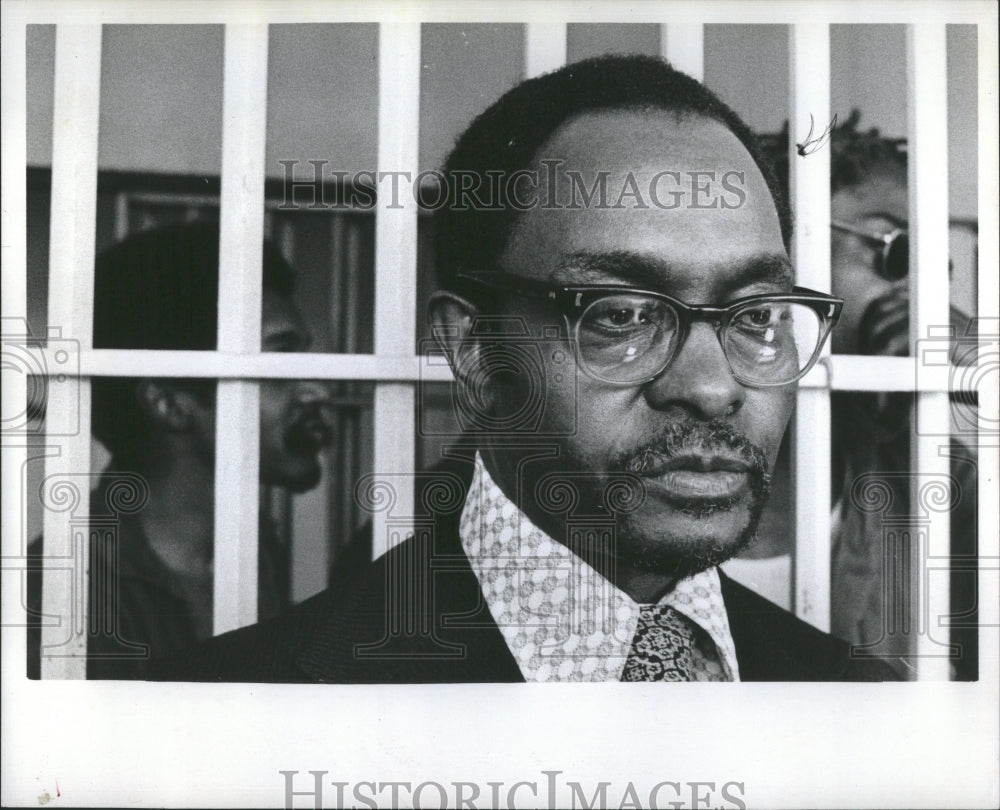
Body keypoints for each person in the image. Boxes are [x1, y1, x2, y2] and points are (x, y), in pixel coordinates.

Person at [154, 55, 900, 682]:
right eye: (621, 314)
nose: (711, 387)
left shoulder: (859, 703)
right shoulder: (233, 708)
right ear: (477, 352)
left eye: (757, 315)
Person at [28, 221, 334, 679]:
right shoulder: (59, 586)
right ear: (170, 403)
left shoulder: (254, 548)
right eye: (278, 360)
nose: (316, 391)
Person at [763, 112, 979, 680]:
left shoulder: (935, 478)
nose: (924, 291)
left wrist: (980, 377)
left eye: (940, 267)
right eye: (898, 251)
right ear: (779, 245)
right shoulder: (646, 458)